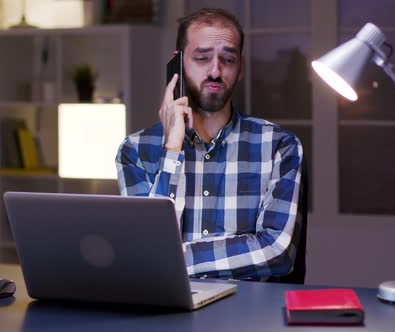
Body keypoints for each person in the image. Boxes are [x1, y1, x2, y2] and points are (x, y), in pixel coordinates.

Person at [115, 8, 304, 281]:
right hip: (167, 316)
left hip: (247, 316)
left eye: (228, 59)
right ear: (176, 66)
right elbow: (147, 245)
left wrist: (171, 258)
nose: (216, 71)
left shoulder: (280, 146)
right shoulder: (135, 150)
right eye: (202, 58)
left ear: (240, 68)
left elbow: (276, 251)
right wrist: (172, 148)